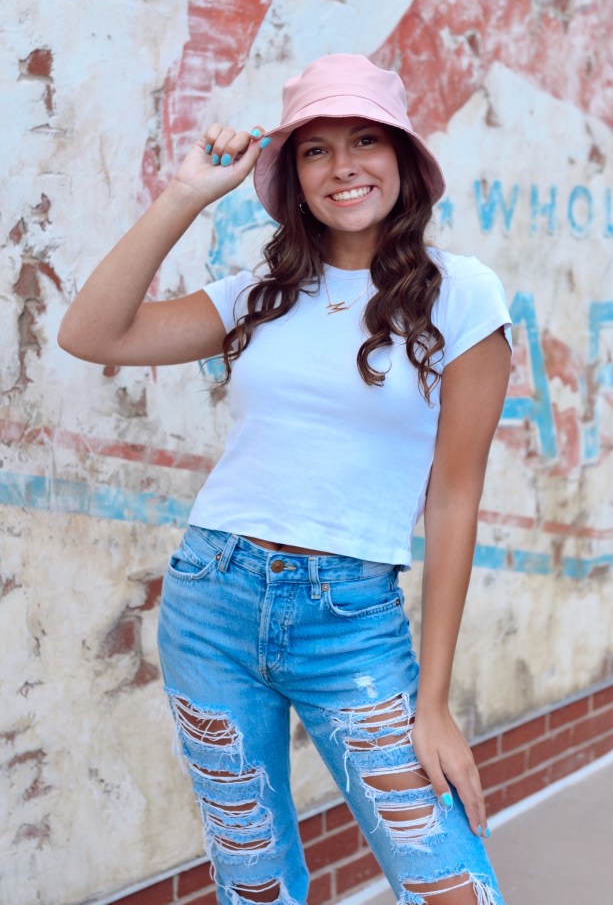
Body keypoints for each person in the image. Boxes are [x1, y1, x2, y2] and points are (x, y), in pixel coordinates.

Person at [59, 54, 512, 905]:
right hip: (212, 600)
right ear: (294, 175)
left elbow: (454, 500)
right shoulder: (258, 295)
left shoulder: (462, 295)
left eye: (366, 140)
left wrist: (436, 702)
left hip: (352, 622)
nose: (343, 166)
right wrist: (187, 192)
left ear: (403, 158)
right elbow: (91, 332)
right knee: (255, 884)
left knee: (451, 885)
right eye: (316, 149)